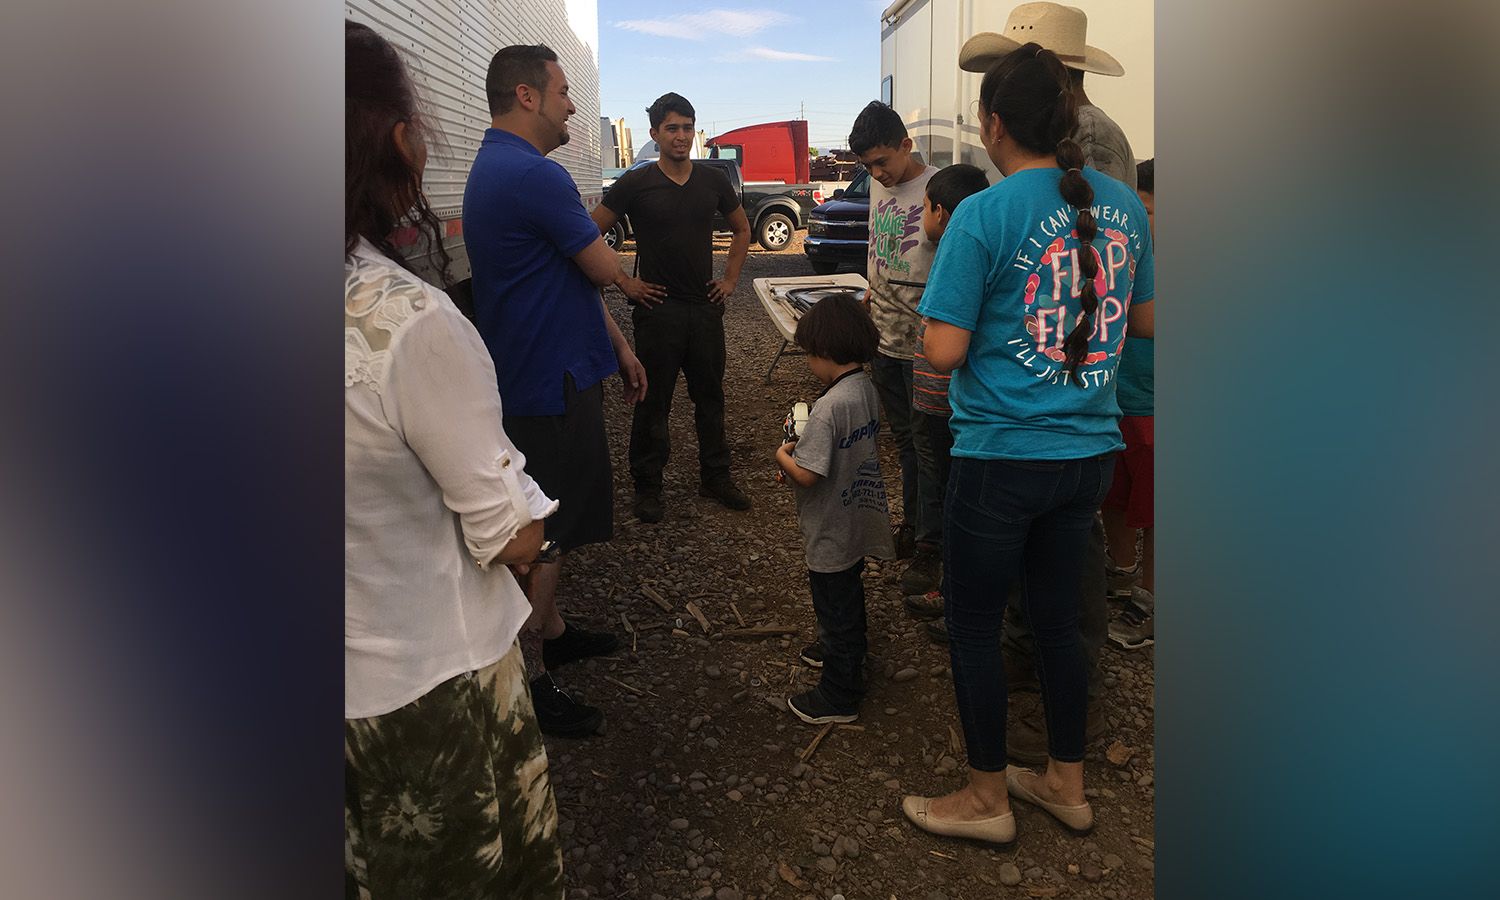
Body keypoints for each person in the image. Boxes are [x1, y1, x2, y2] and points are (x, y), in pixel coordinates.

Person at [901, 43, 1153, 846]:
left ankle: (986, 799)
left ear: (992, 124)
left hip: (1003, 458)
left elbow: (943, 350)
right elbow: (1147, 319)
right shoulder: (1125, 203)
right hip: (1088, 456)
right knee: (1057, 624)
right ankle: (1064, 784)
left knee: (975, 626)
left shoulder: (983, 213)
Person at [344, 20, 563, 898]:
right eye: (562, 92)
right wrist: (531, 515)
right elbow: (511, 537)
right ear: (399, 142)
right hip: (420, 687)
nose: (572, 107)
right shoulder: (404, 323)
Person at [958, 0, 1137, 760]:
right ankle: (1056, 728)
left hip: (1026, 423)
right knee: (1055, 584)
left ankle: (1041, 728)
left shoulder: (1081, 151)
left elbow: (1077, 266)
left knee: (1036, 592)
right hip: (1083, 422)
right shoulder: (1101, 170)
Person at [463, 44, 652, 737]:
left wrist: (619, 347)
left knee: (559, 517)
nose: (574, 106)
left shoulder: (498, 166)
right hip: (546, 384)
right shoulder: (533, 175)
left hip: (551, 373)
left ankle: (554, 628)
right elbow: (600, 267)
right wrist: (623, 275)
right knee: (543, 532)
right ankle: (532, 677)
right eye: (565, 91)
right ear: (527, 96)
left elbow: (568, 277)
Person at [591, 92, 753, 524]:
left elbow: (742, 229)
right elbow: (588, 234)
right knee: (652, 400)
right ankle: (647, 487)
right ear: (655, 133)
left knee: (711, 397)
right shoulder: (636, 182)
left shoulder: (712, 181)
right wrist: (624, 281)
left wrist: (730, 281)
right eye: (672, 128)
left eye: (687, 128)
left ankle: (715, 477)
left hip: (704, 307)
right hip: (657, 310)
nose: (681, 136)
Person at [774, 294, 895, 724]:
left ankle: (840, 693)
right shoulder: (864, 389)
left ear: (824, 351)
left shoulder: (827, 408)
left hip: (829, 526)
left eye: (809, 354)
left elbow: (807, 475)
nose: (809, 362)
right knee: (847, 594)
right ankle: (845, 648)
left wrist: (783, 455)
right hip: (856, 515)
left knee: (834, 604)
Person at [847, 101, 944, 601]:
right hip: (885, 337)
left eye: (882, 162)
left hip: (926, 346)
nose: (877, 174)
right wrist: (872, 292)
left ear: (907, 145)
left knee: (930, 450)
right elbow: (881, 250)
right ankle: (914, 523)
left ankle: (932, 546)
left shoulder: (939, 189)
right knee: (905, 443)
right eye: (868, 166)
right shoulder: (878, 185)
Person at [903, 163, 991, 620]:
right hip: (950, 403)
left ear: (940, 211)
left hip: (943, 403)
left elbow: (944, 351)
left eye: (924, 208)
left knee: (949, 490)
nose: (923, 217)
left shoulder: (958, 253)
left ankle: (952, 591)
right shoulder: (984, 244)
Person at [1105, 157, 1156, 649]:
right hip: (1115, 401)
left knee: (1157, 512)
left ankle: (1151, 601)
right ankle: (1121, 569)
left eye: (1147, 212)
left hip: (1156, 410)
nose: (1137, 221)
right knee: (1115, 497)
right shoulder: (1122, 257)